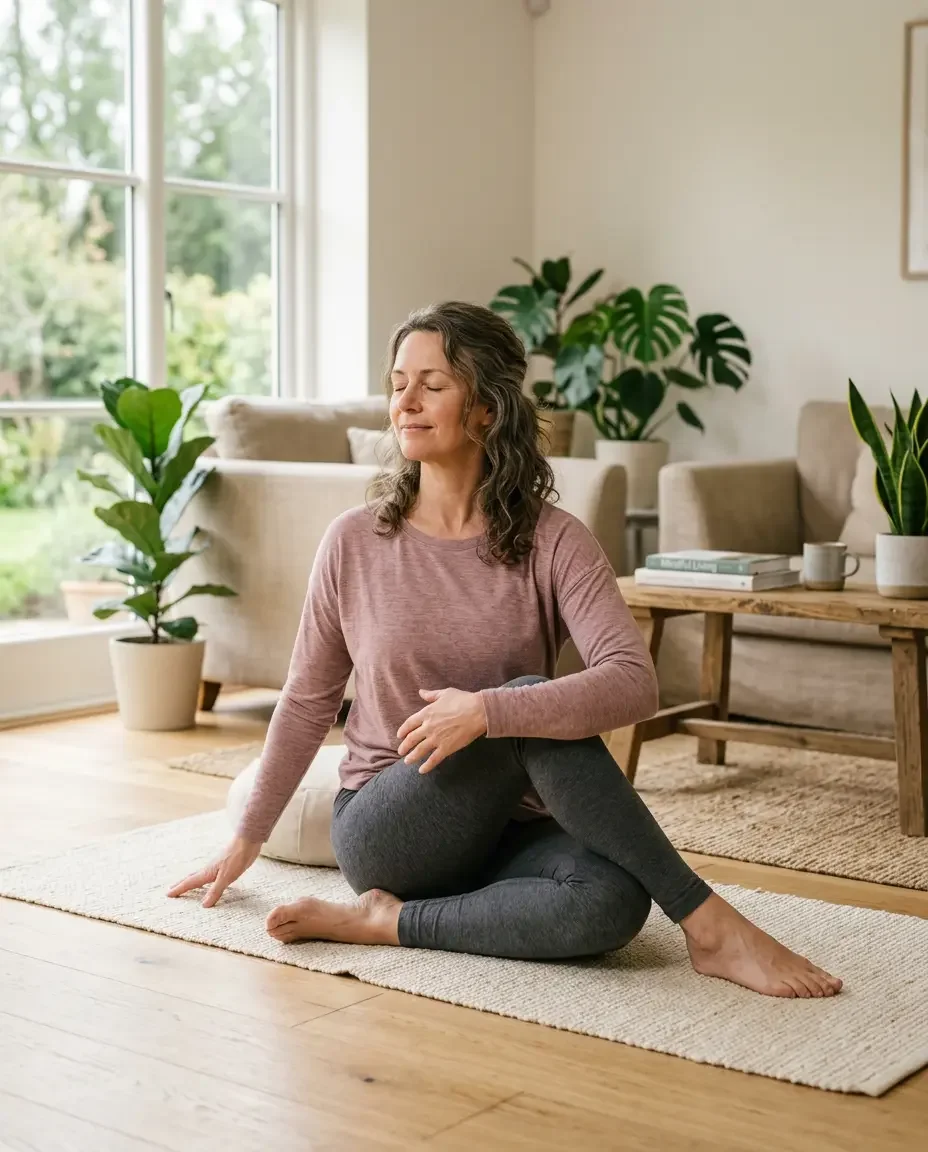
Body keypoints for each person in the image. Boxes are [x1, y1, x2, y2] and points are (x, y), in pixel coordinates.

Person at [168, 301, 842, 999]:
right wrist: (247, 838)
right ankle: (711, 925)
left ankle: (386, 925)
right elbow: (308, 700)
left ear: (487, 407)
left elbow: (633, 683)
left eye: (433, 384)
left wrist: (484, 713)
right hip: (390, 825)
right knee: (519, 705)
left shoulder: (556, 540)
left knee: (613, 902)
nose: (405, 401)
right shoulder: (354, 541)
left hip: (509, 826)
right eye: (399, 382)